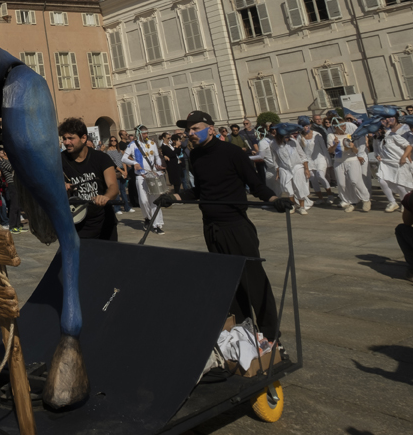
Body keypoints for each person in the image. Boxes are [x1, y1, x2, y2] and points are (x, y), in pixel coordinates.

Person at [158, 111, 292, 343]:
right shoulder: (195, 155)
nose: (190, 133)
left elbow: (255, 184)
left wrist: (274, 200)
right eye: (188, 130)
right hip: (211, 227)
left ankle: (271, 335)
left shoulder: (231, 153)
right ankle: (241, 333)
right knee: (227, 284)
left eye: (195, 128)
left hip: (236, 227)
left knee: (254, 282)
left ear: (210, 128)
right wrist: (175, 197)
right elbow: (201, 190)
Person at [60, 118, 118, 240]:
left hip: (104, 221)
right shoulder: (59, 160)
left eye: (71, 138)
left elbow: (113, 186)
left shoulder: (101, 158)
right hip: (77, 222)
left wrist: (105, 197)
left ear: (84, 138)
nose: (66, 142)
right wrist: (61, 187)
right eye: (64, 138)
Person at [123, 127, 165, 233]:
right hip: (140, 176)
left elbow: (157, 156)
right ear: (139, 134)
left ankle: (157, 225)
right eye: (144, 133)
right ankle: (147, 218)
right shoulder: (132, 145)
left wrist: (158, 165)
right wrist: (134, 163)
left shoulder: (152, 143)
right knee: (143, 200)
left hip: (152, 175)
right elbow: (124, 158)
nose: (146, 135)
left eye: (147, 133)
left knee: (154, 200)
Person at [329, 120, 370, 211]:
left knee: (355, 181)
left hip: (352, 160)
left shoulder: (349, 136)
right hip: (338, 162)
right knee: (342, 184)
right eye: (342, 125)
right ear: (336, 127)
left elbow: (356, 151)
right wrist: (335, 145)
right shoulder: (331, 136)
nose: (345, 127)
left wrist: (353, 147)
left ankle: (366, 199)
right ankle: (351, 202)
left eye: (345, 125)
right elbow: (331, 151)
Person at [298, 116, 332, 206]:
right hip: (308, 161)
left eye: (306, 125)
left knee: (320, 175)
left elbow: (324, 149)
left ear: (310, 125)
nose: (305, 128)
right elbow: (299, 151)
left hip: (320, 158)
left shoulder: (317, 134)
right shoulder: (299, 137)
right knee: (313, 179)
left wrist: (329, 162)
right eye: (303, 126)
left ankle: (330, 195)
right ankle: (320, 198)